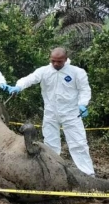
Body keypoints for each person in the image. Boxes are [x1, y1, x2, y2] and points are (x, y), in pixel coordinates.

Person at [8, 47, 95, 176]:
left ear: (65, 59)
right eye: (53, 60)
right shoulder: (44, 71)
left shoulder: (77, 72)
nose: (55, 64)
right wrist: (19, 86)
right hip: (50, 113)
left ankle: (88, 174)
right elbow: (30, 79)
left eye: (59, 61)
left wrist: (82, 104)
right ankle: (54, 172)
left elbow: (84, 90)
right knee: (50, 145)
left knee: (78, 143)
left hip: (72, 113)